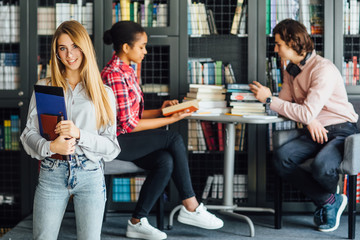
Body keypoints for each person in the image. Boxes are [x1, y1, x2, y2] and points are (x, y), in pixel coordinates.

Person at [101, 21, 223, 240]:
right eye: (142, 46)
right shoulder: (114, 75)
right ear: (126, 48)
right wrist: (171, 119)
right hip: (114, 141)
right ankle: (191, 206)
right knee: (173, 138)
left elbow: (132, 115)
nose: (145, 51)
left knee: (164, 160)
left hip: (127, 137)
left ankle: (137, 221)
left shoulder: (128, 70)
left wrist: (161, 111)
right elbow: (129, 125)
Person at [249, 19, 359, 233]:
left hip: (341, 129)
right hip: (313, 129)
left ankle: (328, 202)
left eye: (279, 44)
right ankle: (329, 200)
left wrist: (271, 100)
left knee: (321, 166)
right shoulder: (292, 70)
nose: (275, 48)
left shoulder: (322, 69)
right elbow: (285, 105)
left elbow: (297, 109)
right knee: (281, 158)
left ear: (292, 43)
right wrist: (309, 119)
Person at [20, 20, 120, 240]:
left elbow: (112, 147)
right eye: (62, 48)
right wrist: (50, 146)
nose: (69, 54)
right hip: (52, 174)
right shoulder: (45, 87)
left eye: (74, 46)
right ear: (56, 53)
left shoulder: (104, 93)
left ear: (84, 47)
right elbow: (28, 135)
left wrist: (80, 134)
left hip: (90, 175)